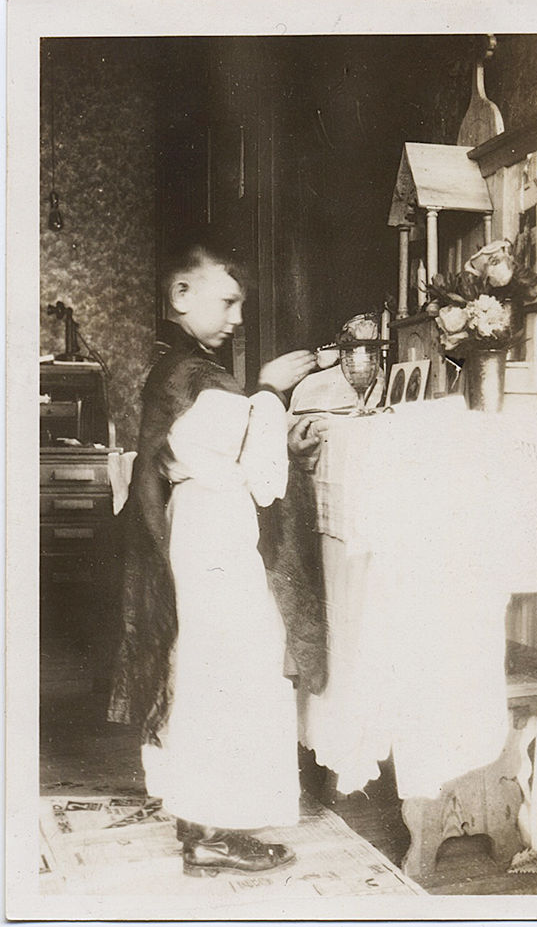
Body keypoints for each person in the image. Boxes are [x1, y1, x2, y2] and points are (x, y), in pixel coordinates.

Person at [108, 236, 318, 876]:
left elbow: (238, 453)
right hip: (212, 537)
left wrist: (284, 440)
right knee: (231, 672)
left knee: (214, 671)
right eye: (226, 302)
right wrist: (273, 390)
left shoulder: (187, 371)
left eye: (240, 305)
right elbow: (248, 464)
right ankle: (211, 834)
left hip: (209, 529)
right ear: (180, 294)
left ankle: (208, 823)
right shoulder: (186, 373)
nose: (235, 318)